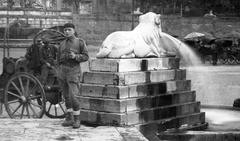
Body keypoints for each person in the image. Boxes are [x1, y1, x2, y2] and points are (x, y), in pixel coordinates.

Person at [56, 23, 89, 129]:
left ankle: (77, 119)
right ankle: (69, 118)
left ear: (74, 30)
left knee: (74, 97)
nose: (66, 32)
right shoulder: (61, 44)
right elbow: (57, 59)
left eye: (69, 30)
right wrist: (58, 70)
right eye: (65, 30)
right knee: (66, 96)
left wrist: (75, 56)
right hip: (62, 72)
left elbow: (86, 56)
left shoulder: (79, 42)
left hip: (73, 71)